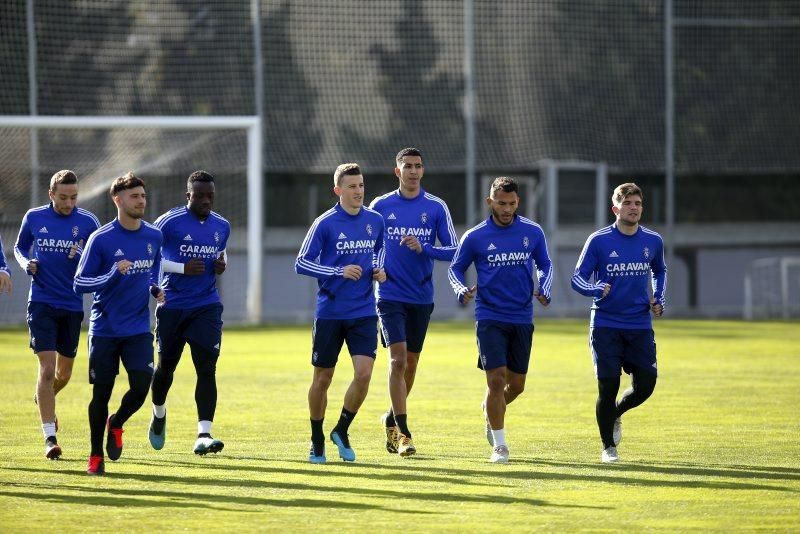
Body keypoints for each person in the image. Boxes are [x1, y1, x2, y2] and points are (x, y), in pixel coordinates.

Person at [448, 177, 553, 464]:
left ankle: (490, 410)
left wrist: (544, 287)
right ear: (490, 202)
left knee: (516, 385)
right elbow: (456, 269)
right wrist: (461, 290)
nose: (506, 209)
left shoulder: (532, 232)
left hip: (521, 316)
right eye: (501, 203)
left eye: (511, 203)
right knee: (495, 379)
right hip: (489, 315)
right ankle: (500, 445)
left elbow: (545, 264)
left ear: (518, 202)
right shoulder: (475, 236)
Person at [368, 147, 458, 457]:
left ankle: (391, 418)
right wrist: (374, 269)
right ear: (397, 171)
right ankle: (404, 433)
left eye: (418, 166)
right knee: (397, 360)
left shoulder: (435, 207)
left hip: (421, 296)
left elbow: (453, 251)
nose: (413, 171)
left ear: (423, 170)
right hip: (389, 296)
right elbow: (369, 243)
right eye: (407, 166)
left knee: (411, 364)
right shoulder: (380, 206)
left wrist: (426, 249)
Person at [295, 163, 386, 464]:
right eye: (352, 186)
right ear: (338, 190)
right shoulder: (325, 224)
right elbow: (302, 263)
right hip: (331, 312)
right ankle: (317, 438)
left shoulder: (375, 220)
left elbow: (380, 249)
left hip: (363, 311)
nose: (358, 191)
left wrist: (378, 269)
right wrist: (338, 271)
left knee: (364, 374)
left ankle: (342, 429)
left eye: (361, 185)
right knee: (323, 379)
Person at [74, 172, 164, 475]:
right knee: (101, 393)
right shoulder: (101, 239)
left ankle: (118, 422)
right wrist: (112, 273)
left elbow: (153, 270)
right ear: (118, 200)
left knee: (141, 386)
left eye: (143, 196)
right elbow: (80, 282)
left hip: (138, 328)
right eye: (135, 196)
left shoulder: (154, 235)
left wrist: (154, 287)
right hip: (105, 329)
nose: (141, 201)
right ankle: (95, 455)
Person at [570, 182, 666, 464]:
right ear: (616, 209)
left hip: (639, 325)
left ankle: (617, 414)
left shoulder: (653, 241)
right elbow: (577, 278)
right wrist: (595, 289)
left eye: (637, 204)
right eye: (627, 204)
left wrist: (658, 297)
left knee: (646, 385)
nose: (633, 208)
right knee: (608, 387)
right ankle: (608, 448)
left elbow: (660, 270)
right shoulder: (598, 241)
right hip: (605, 325)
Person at [13, 170, 100, 460]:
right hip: (41, 302)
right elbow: (19, 247)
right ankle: (50, 437)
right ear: (51, 194)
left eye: (74, 197)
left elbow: (98, 258)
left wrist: (87, 257)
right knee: (47, 370)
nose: (69, 203)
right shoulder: (34, 217)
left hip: (73, 306)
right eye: (63, 197)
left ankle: (44, 397)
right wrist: (27, 263)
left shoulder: (88, 223)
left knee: (64, 374)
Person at [148, 170, 230, 455]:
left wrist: (221, 263)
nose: (206, 200)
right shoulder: (168, 223)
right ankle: (159, 413)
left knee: (207, 368)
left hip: (206, 305)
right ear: (188, 196)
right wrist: (181, 268)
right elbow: (151, 260)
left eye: (211, 196)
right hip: (172, 305)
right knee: (166, 367)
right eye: (200, 195)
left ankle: (204, 434)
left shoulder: (222, 225)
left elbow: (220, 252)